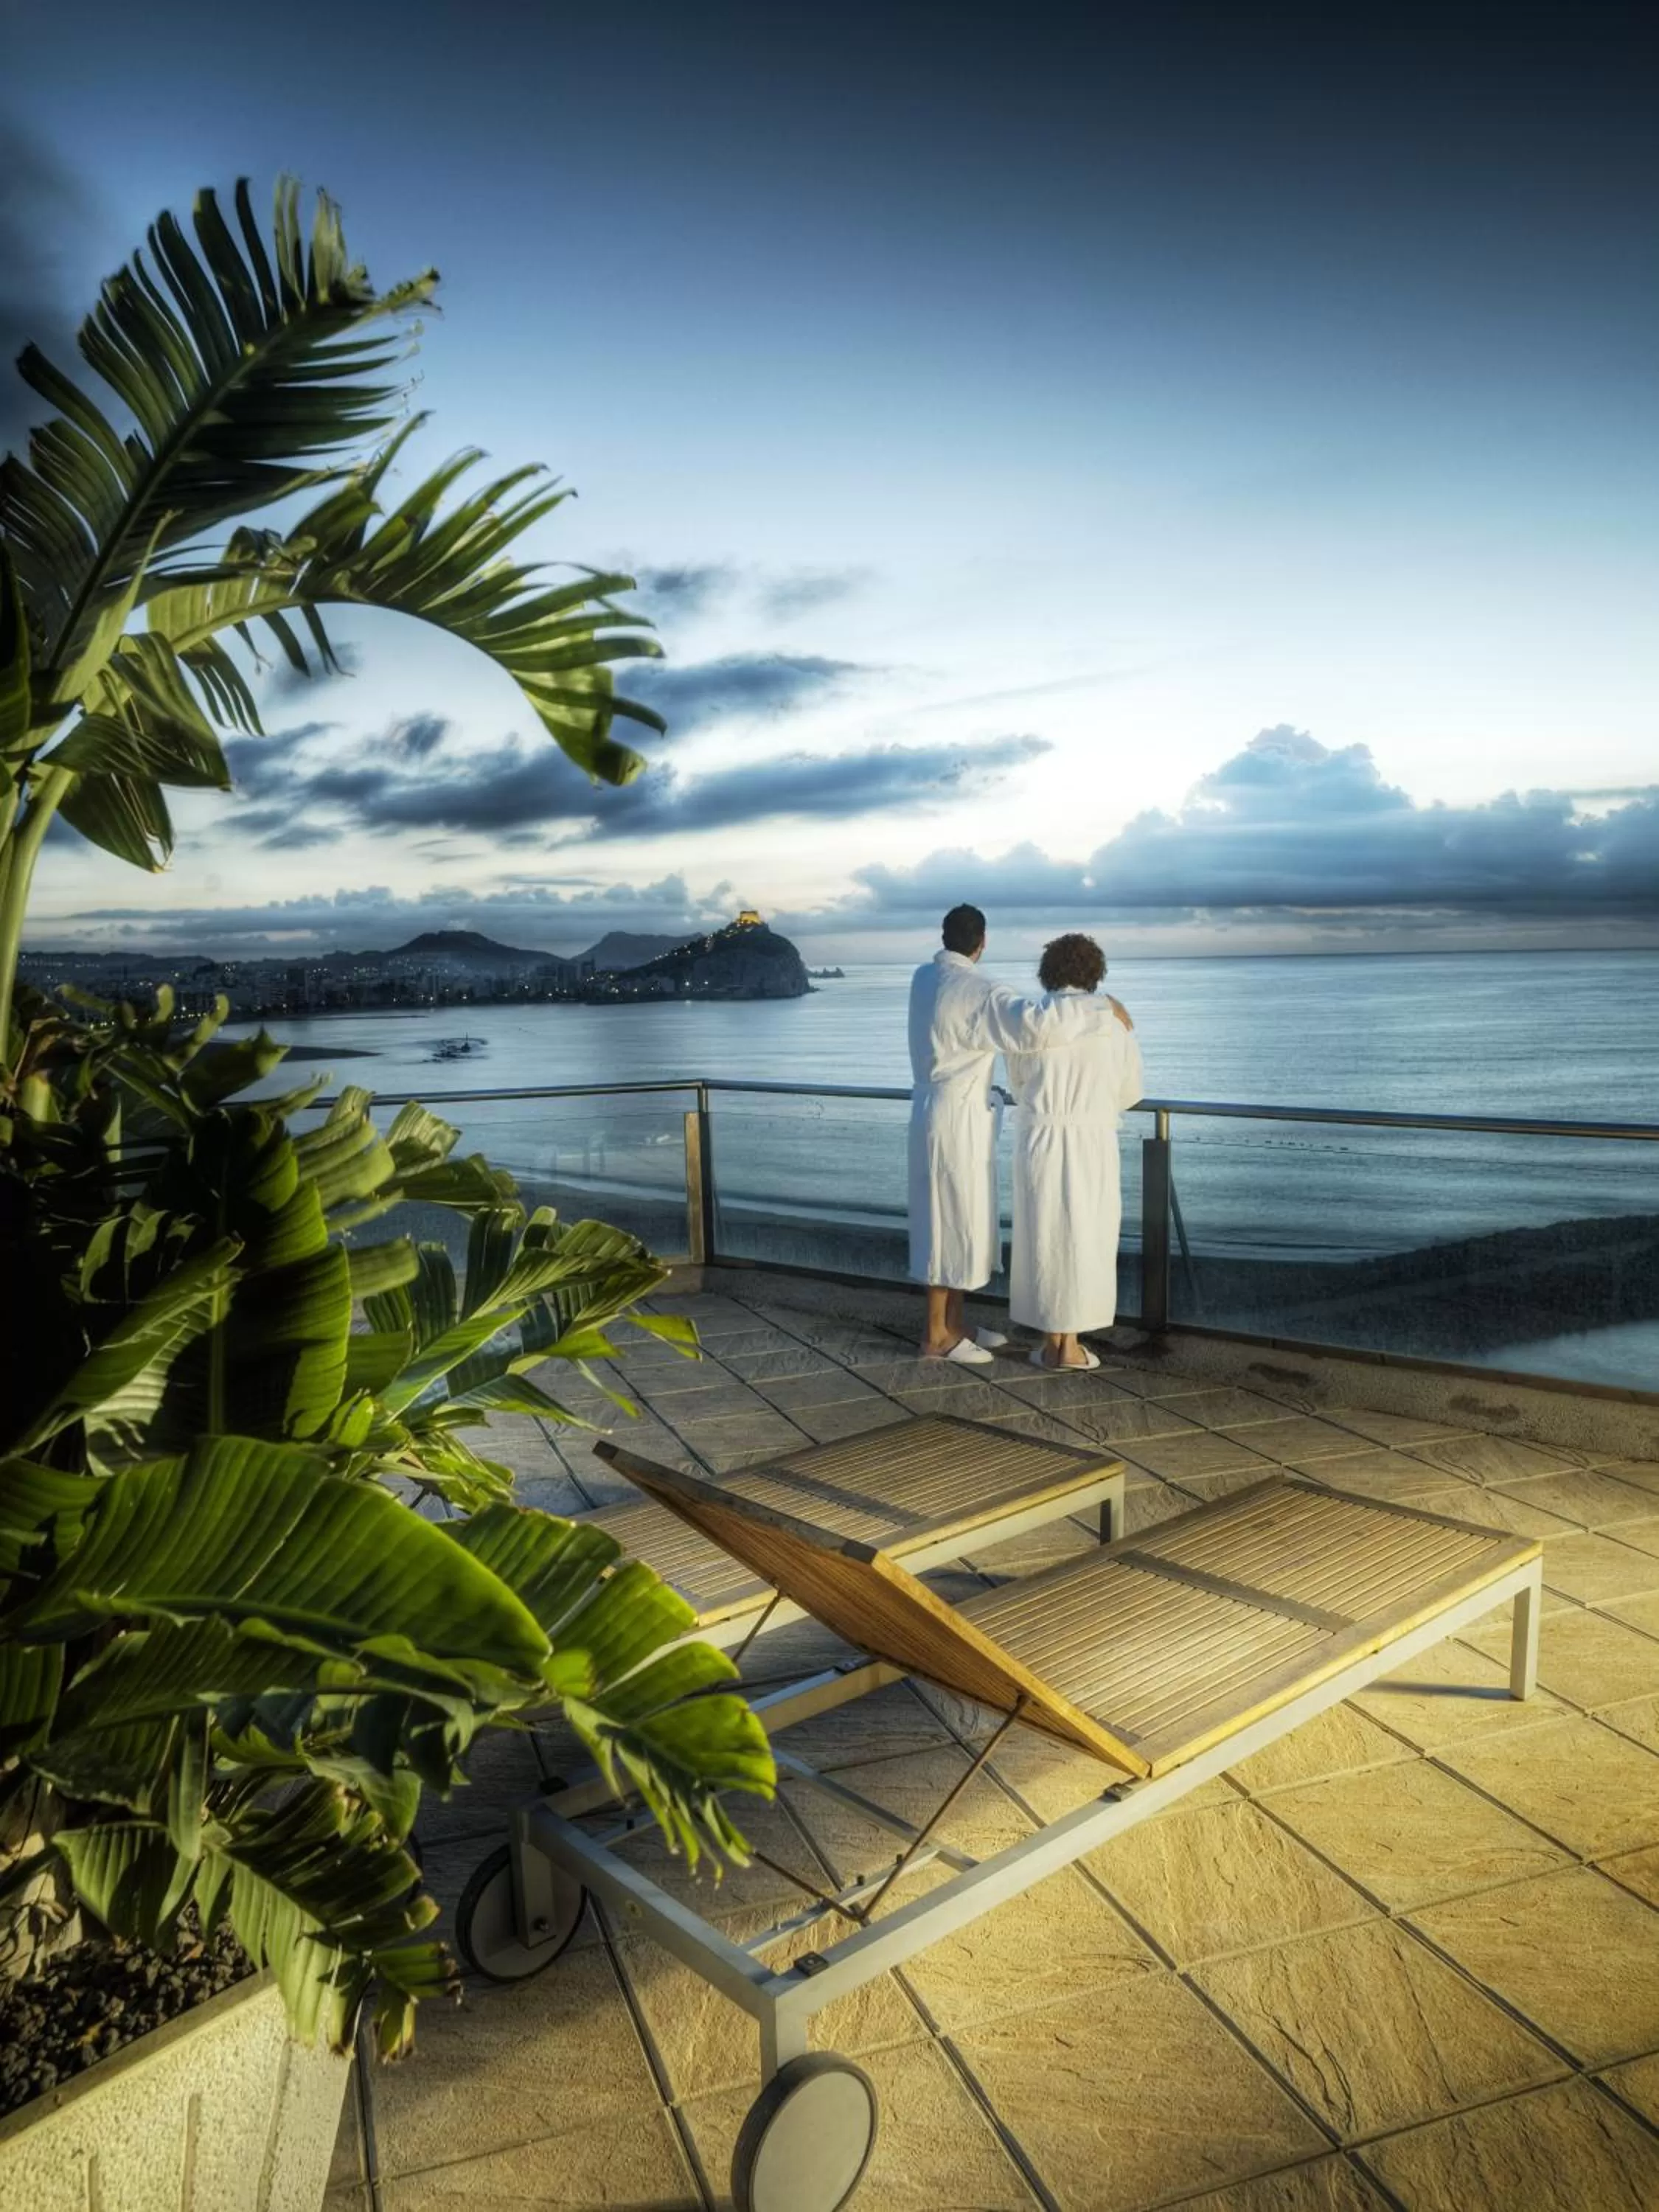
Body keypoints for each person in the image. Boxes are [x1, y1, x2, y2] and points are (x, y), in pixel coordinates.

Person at [908, 905, 1132, 1362]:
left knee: (957, 1216)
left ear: (945, 937)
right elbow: (1034, 1028)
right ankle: (937, 1337)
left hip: (938, 1109)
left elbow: (1023, 1069)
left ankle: (955, 1325)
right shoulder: (979, 989)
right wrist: (1101, 1005)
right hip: (959, 1114)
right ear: (982, 941)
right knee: (948, 1220)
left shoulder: (924, 978)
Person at [1005, 932, 1144, 1371]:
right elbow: (1130, 1091)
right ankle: (1071, 1346)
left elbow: (1018, 1083)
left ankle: (1052, 1343)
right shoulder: (1113, 1021)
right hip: (1091, 1139)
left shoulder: (1030, 1018)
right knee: (1086, 1235)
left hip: (1041, 1135)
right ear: (1095, 973)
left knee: (1044, 1233)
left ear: (1049, 972)